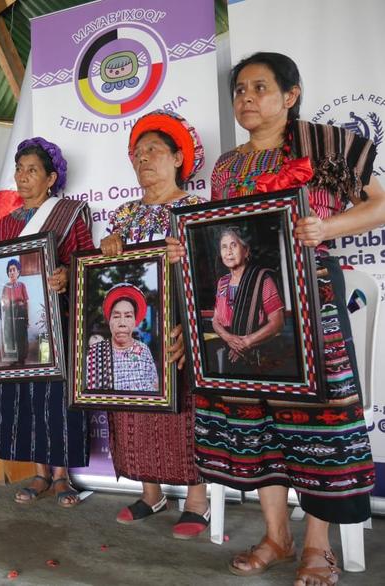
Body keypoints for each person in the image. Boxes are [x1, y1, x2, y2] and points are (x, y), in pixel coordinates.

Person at [168, 52, 384, 584]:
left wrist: (326, 229)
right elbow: (220, 239)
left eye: (259, 88)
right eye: (239, 90)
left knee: (317, 419)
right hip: (238, 317)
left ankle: (317, 546)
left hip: (312, 307)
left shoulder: (328, 147)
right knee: (255, 418)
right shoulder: (227, 167)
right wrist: (186, 251)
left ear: (290, 95)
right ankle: (276, 536)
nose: (245, 98)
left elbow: (382, 202)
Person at [99, 109, 209, 538]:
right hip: (133, 328)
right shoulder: (124, 215)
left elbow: (216, 271)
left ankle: (197, 501)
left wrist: (189, 256)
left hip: (182, 325)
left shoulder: (195, 208)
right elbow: (105, 276)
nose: (144, 158)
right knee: (132, 405)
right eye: (137, 153)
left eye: (154, 150)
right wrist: (109, 246)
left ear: (178, 158)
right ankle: (151, 493)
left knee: (185, 410)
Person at [0, 137, 93, 507]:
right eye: (19, 169)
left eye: (32, 171)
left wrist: (67, 274)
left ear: (50, 178)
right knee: (26, 399)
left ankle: (63, 477)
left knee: (56, 400)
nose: (23, 177)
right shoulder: (5, 225)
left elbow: (87, 263)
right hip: (13, 329)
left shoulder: (70, 214)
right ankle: (41, 473)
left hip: (54, 323)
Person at [211, 226, 285, 374]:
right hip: (228, 353)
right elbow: (215, 320)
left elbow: (277, 323)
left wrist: (246, 342)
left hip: (258, 358)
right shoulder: (223, 282)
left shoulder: (262, 279)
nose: (228, 252)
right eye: (224, 247)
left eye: (234, 245)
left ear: (246, 251)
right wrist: (229, 338)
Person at [86, 284, 158, 394]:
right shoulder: (96, 352)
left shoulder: (143, 350)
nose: (122, 323)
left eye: (128, 316)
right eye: (116, 316)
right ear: (109, 321)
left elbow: (155, 387)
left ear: (135, 321)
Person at [0, 258, 29, 365]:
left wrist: (27, 318)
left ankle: (21, 360)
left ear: (18, 272)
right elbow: (3, 302)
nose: (11, 272)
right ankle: (13, 360)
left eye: (13, 270)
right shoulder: (5, 287)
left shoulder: (22, 285)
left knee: (21, 338)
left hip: (20, 315)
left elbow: (26, 303)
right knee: (10, 339)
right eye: (9, 270)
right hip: (9, 316)